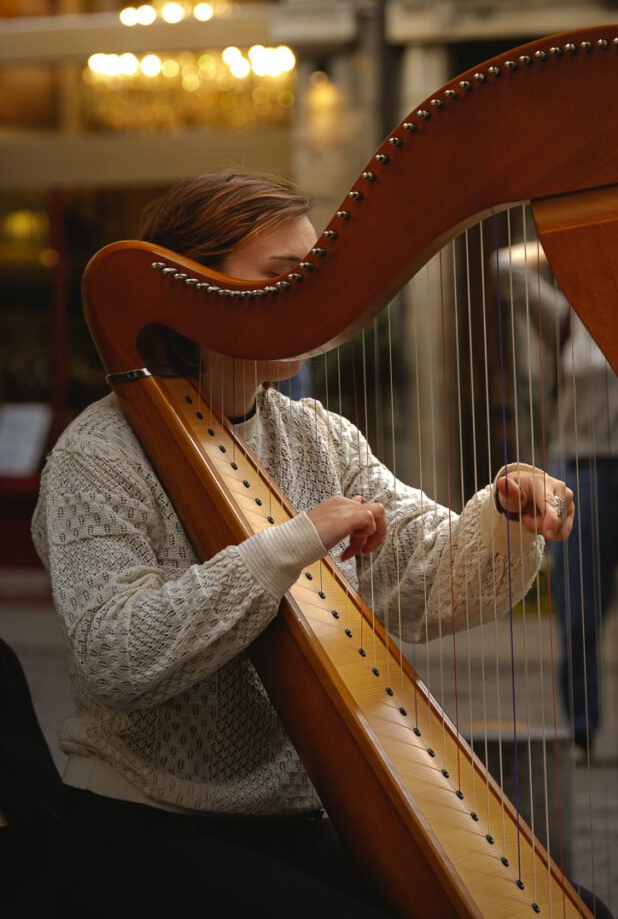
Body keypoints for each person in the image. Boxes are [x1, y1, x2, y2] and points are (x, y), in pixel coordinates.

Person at [32, 169, 577, 918]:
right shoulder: (99, 454)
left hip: (302, 816)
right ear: (194, 293)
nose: (305, 302)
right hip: (144, 826)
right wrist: (292, 543)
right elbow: (117, 652)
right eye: (281, 279)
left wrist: (509, 511)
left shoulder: (316, 435)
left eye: (312, 280)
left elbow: (432, 582)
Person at [495, 237, 618, 765]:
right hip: (579, 477)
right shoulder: (568, 320)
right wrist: (569, 238)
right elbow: (503, 265)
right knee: (578, 614)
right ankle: (582, 730)